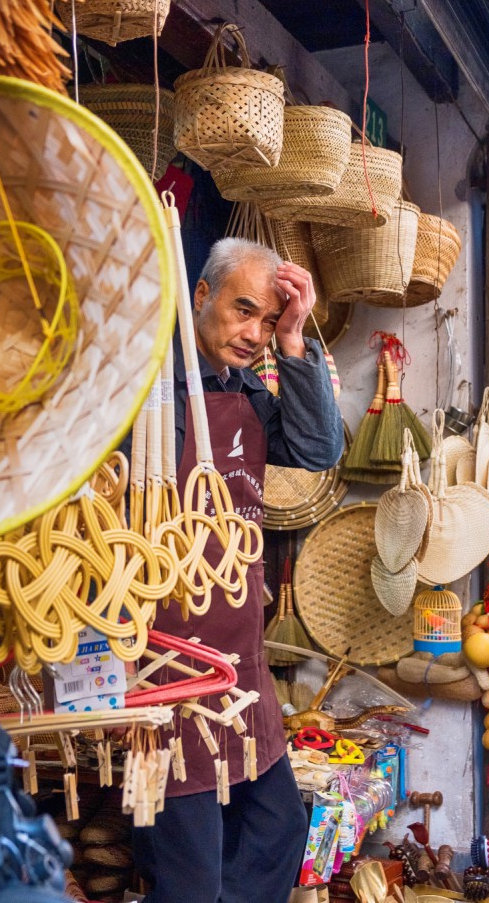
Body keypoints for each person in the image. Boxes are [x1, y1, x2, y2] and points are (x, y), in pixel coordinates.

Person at [131, 237, 343, 903]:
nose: (252, 333)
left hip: (237, 652)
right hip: (162, 657)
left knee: (277, 827)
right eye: (243, 311)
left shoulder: (246, 390)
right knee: (189, 868)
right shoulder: (148, 383)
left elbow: (316, 448)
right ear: (201, 296)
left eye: (266, 320)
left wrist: (295, 337)